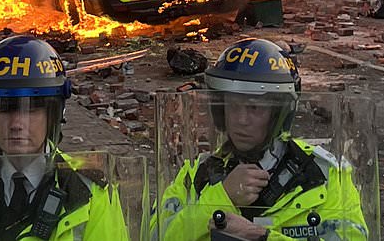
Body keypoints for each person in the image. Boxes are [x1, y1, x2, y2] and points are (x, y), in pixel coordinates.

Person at [155, 38, 368, 241]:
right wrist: (222, 197)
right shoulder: (195, 175)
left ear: (278, 113)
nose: (241, 120)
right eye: (232, 106)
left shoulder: (323, 175)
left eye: (254, 107)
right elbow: (160, 235)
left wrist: (260, 237)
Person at [0, 35, 130, 241]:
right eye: (5, 110)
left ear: (53, 116)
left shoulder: (87, 191)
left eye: (31, 110)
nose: (16, 124)